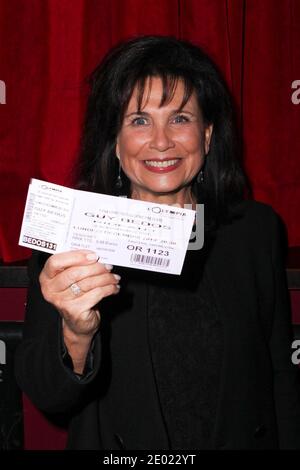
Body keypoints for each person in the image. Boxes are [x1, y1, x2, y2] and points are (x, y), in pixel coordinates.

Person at [15, 35, 300, 450]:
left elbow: (279, 376)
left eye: (180, 119)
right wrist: (76, 332)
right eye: (139, 120)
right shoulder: (69, 240)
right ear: (114, 142)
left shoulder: (255, 230)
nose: (162, 141)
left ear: (206, 135)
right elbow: (50, 398)